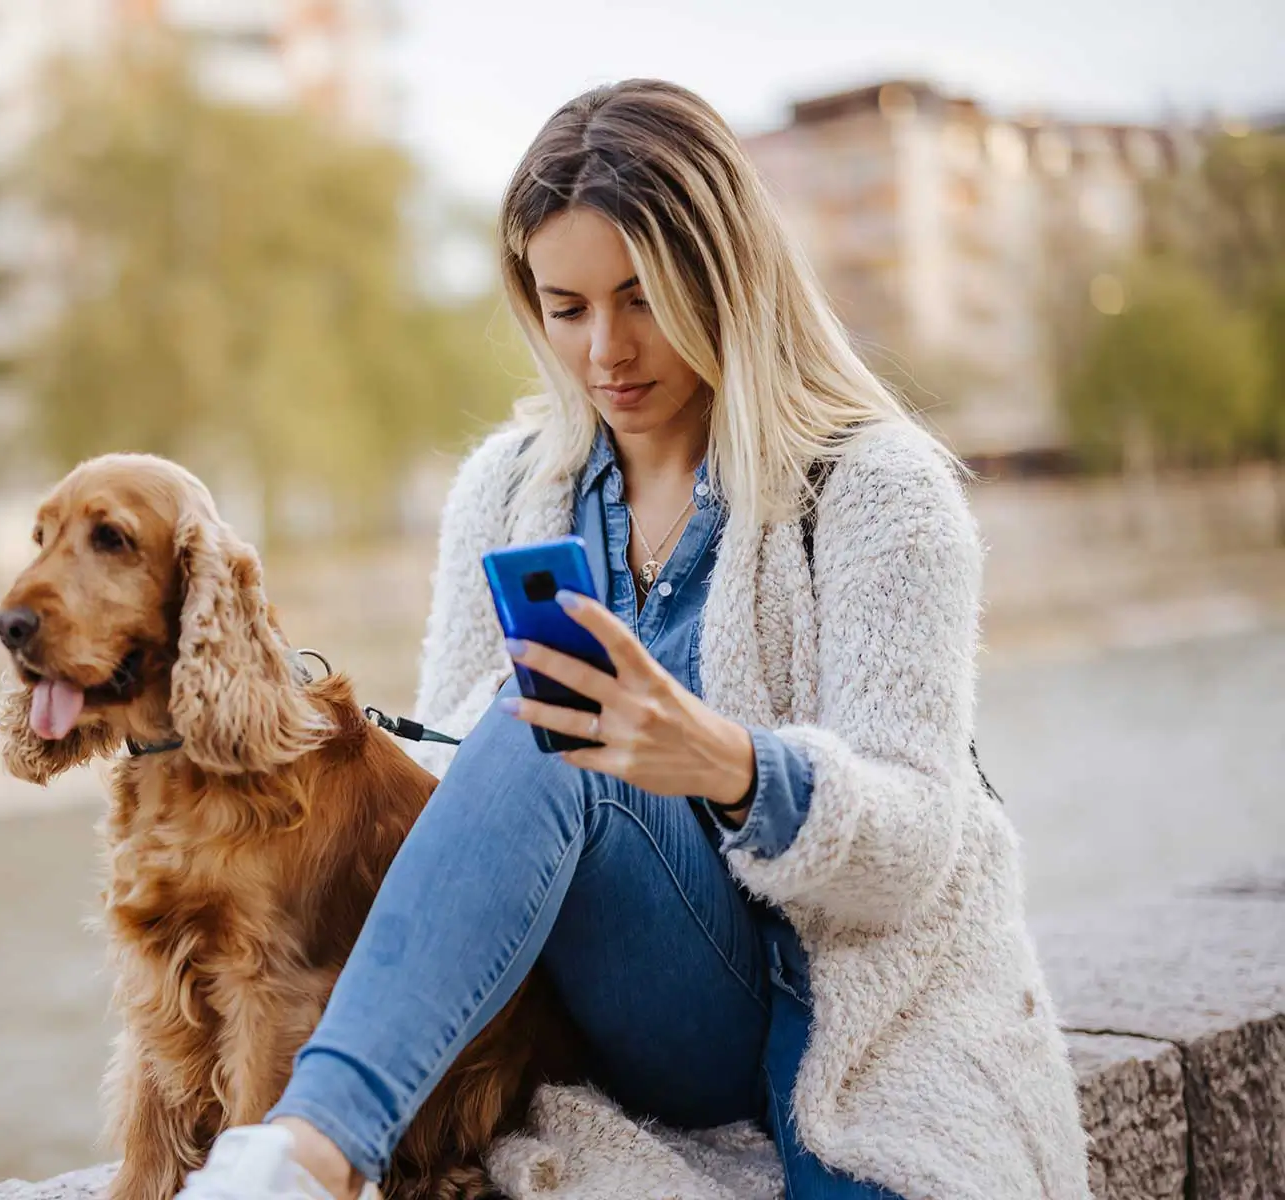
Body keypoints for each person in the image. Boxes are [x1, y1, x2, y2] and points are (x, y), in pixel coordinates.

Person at [174, 80, 1090, 1200]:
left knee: (547, 716)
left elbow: (910, 851)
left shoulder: (872, 488)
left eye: (641, 297)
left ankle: (298, 1161)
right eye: (565, 308)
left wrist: (722, 762)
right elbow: (446, 811)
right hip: (619, 1013)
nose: (604, 350)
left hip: (842, 1001)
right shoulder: (507, 491)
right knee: (533, 719)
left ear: (726, 274)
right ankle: (304, 1155)